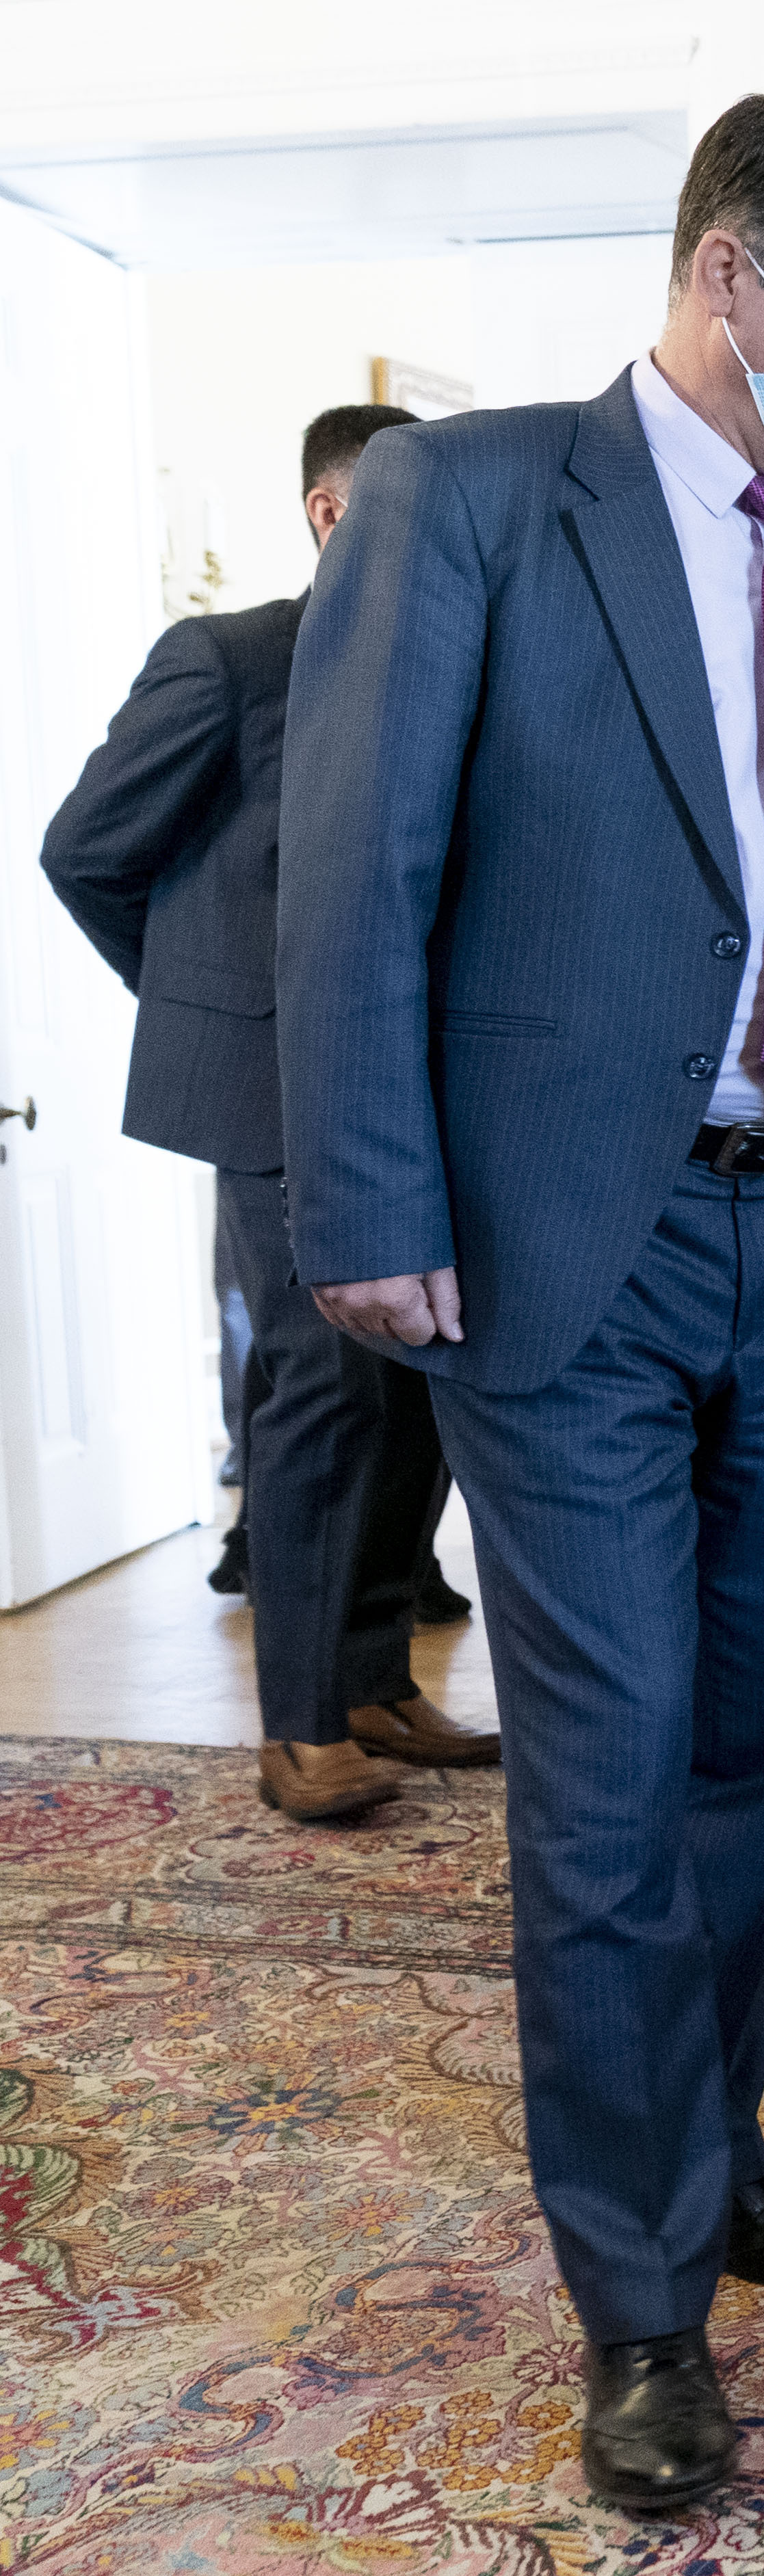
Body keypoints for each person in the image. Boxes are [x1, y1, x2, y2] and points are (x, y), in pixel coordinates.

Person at [276, 90, 764, 2513]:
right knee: (609, 1765)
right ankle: (642, 2300)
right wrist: (367, 1196)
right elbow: (358, 865)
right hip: (572, 1229)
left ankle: (720, 2149)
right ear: (728, 273)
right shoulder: (472, 501)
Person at [36, 401, 495, 1822]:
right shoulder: (228, 661)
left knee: (417, 1386)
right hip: (274, 1098)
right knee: (323, 1392)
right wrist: (219, 1009)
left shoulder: (463, 656)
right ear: (330, 513)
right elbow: (85, 851)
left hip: (429, 1095)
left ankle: (374, 1681)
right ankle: (300, 1723)